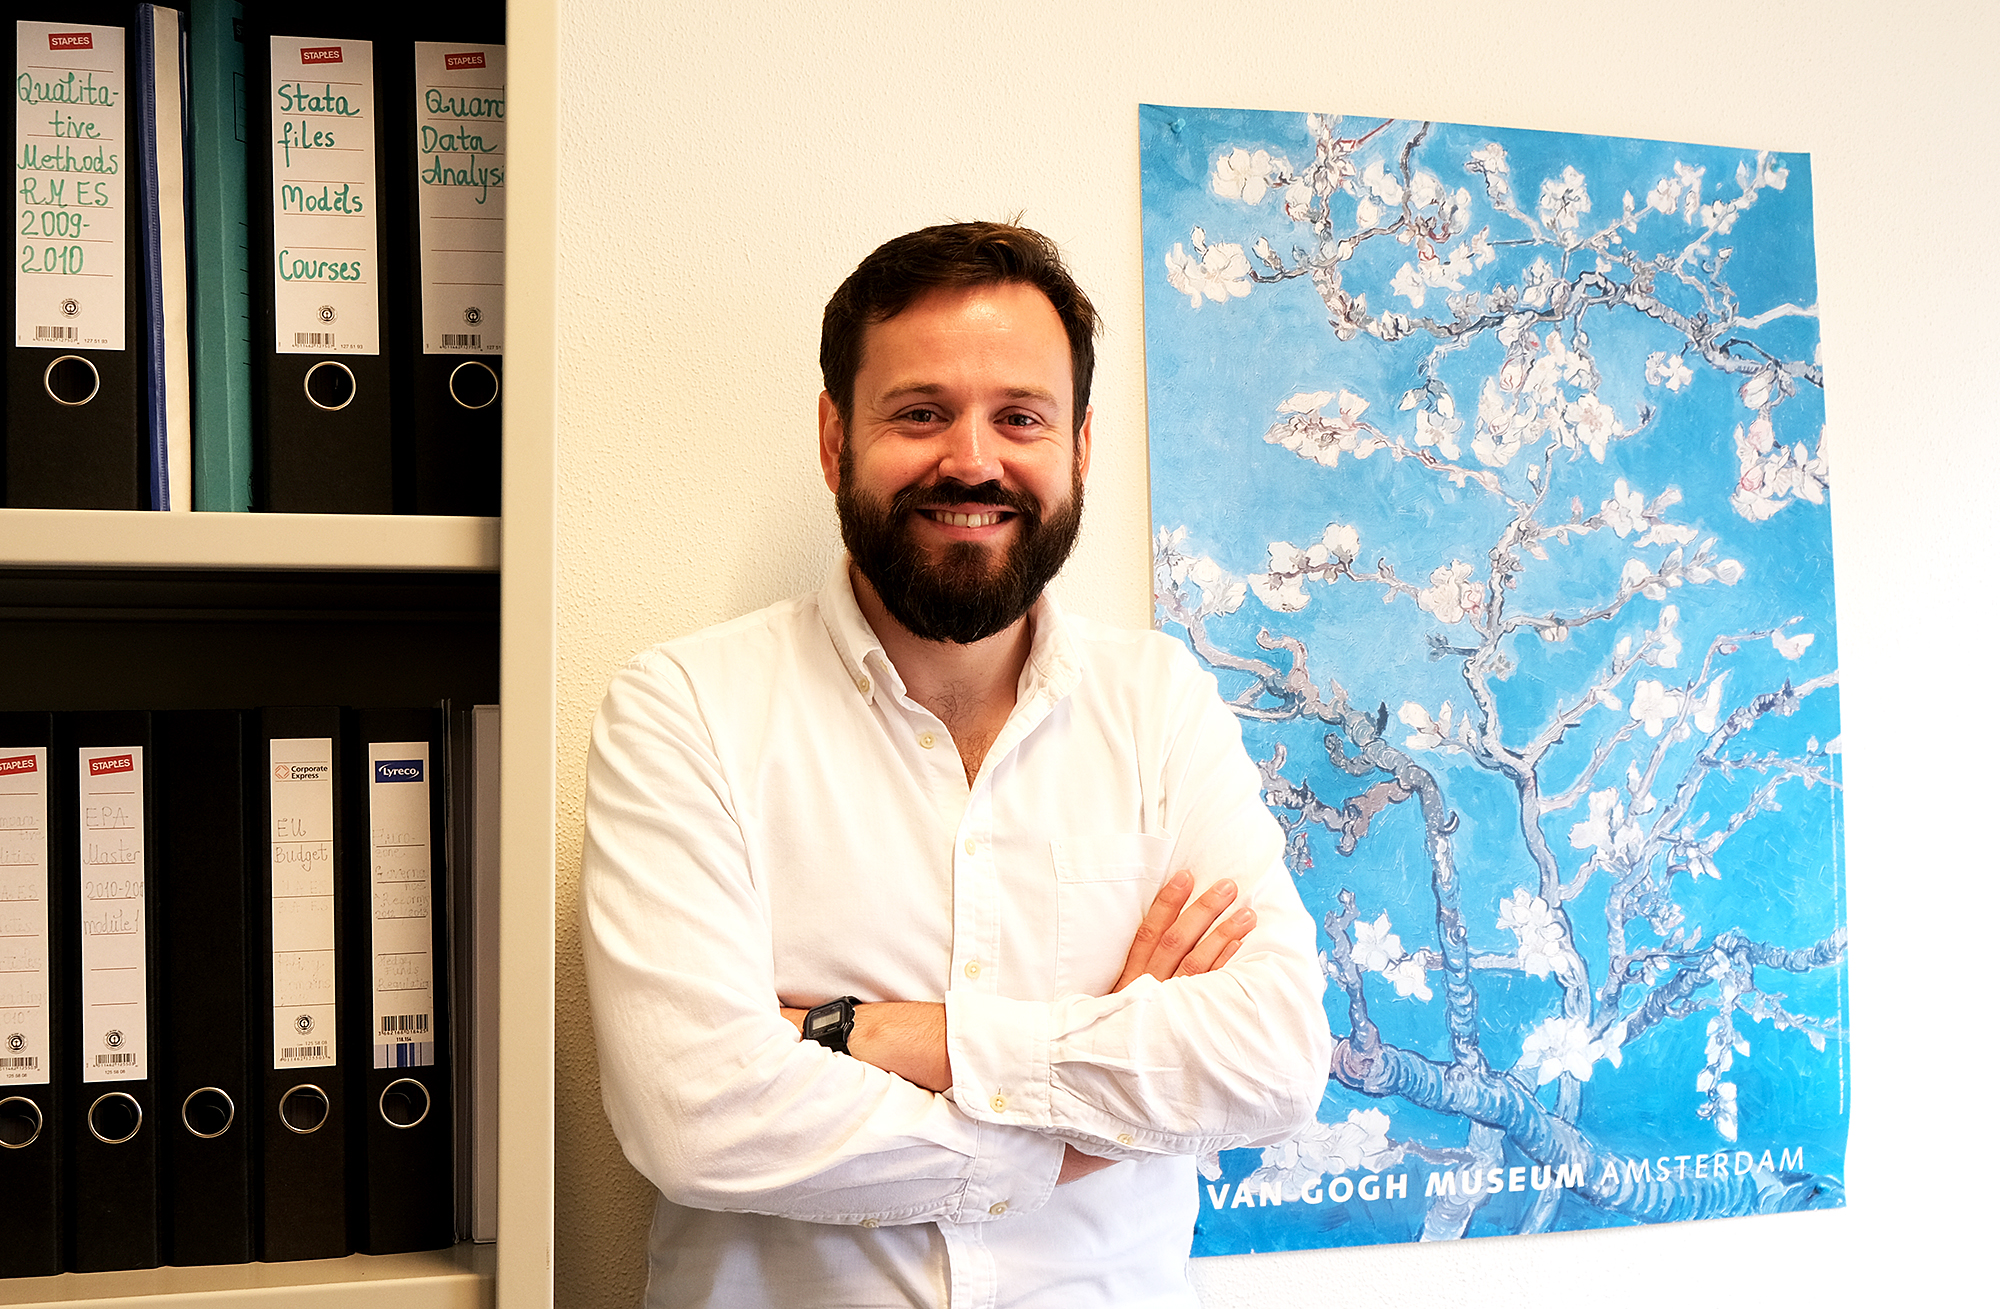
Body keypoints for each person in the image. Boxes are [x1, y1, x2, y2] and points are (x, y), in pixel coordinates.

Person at [582, 221, 1331, 1309]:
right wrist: (1076, 1125)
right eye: (920, 412)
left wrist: (876, 1036)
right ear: (836, 440)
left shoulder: (1159, 704)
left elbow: (1271, 1055)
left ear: (1078, 447)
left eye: (1018, 417)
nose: (972, 459)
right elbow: (696, 1115)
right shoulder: (684, 710)